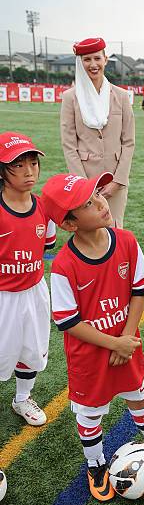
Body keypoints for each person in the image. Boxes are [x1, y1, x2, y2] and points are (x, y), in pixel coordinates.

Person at [41, 173, 144, 502]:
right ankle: (96, 465)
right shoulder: (65, 265)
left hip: (127, 345)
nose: (100, 203)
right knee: (90, 413)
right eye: (86, 204)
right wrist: (114, 344)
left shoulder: (125, 240)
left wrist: (126, 337)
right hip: (91, 358)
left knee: (140, 399)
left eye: (97, 194)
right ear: (69, 224)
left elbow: (140, 290)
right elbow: (69, 321)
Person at [0, 132, 56, 427]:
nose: (29, 171)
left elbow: (47, 246)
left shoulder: (43, 207)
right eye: (18, 165)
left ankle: (22, 398)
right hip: (3, 298)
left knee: (31, 350)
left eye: (33, 163)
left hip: (34, 291)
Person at [60, 37, 135, 229]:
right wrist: (84, 187)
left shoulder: (121, 96)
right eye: (87, 60)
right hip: (85, 180)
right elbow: (69, 146)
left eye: (97, 58)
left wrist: (118, 181)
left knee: (114, 229)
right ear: (80, 62)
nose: (93, 64)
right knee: (89, 231)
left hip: (115, 180)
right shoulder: (70, 98)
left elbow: (128, 143)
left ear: (105, 59)